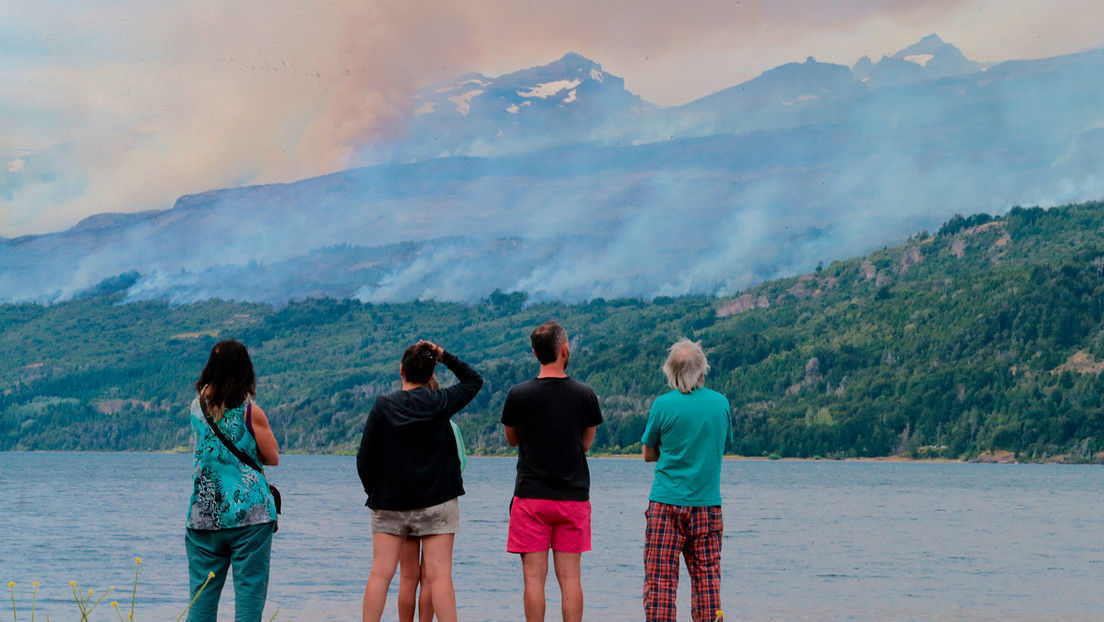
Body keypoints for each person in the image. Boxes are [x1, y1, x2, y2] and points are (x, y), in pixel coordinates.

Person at [357, 340, 483, 622]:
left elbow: (364, 459)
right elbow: (474, 380)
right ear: (430, 375)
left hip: (389, 502)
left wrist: (377, 492)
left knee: (380, 573)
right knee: (440, 578)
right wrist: (442, 354)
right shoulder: (440, 403)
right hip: (437, 502)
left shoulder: (382, 406)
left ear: (401, 370)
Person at [501, 321, 603, 622]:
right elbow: (585, 445)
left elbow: (511, 439)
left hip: (531, 497)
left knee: (533, 579)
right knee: (571, 578)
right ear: (564, 349)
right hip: (572, 497)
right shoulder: (585, 394)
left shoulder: (518, 394)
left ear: (535, 353)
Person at [185, 339, 280, 622]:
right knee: (249, 595)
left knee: (201, 598)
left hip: (204, 515)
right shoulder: (252, 412)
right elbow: (273, 456)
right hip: (250, 515)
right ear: (245, 371)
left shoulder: (195, 408)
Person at [641, 338, 733, 622]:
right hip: (707, 504)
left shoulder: (662, 405)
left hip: (666, 503)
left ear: (671, 372)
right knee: (707, 579)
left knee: (660, 582)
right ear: (702, 370)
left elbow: (648, 453)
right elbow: (721, 446)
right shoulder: (720, 404)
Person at [397, 375, 469, 622]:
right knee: (432, 576)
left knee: (407, 576)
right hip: (438, 503)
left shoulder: (400, 420)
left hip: (404, 502)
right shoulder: (450, 426)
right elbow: (461, 464)